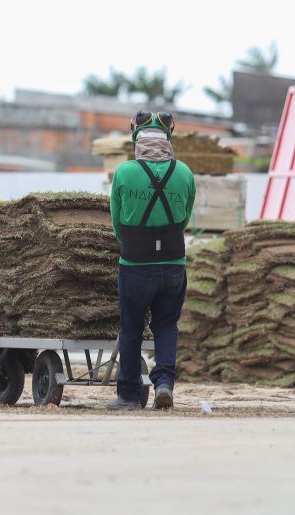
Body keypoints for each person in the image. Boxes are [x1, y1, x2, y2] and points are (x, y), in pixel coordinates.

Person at [108, 110, 196, 410]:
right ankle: (163, 383)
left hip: (134, 265)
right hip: (173, 263)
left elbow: (118, 225)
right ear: (168, 137)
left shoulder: (123, 173)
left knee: (131, 329)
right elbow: (184, 217)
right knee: (167, 326)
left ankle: (130, 396)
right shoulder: (184, 173)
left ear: (136, 137)